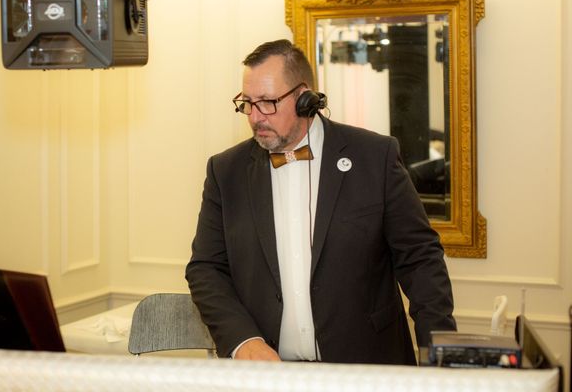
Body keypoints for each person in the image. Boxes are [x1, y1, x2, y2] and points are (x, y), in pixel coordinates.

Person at [185, 39, 456, 364]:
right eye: (247, 103)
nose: (255, 117)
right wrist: (244, 341)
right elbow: (206, 268)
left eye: (268, 102)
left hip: (369, 368)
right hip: (270, 377)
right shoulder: (225, 171)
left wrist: (442, 356)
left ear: (304, 99)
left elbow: (420, 259)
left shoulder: (374, 157)